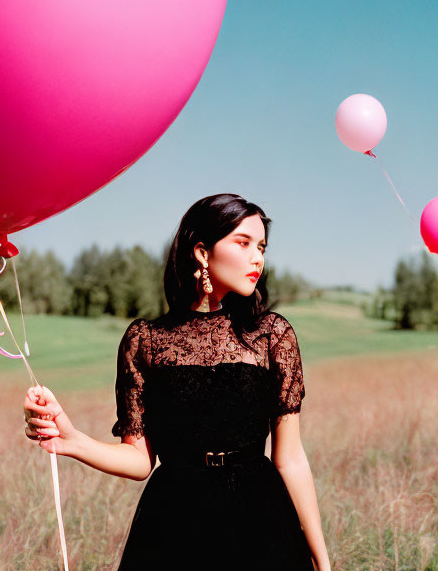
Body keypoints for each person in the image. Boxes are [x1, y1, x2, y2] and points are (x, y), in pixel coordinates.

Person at [22, 193, 331, 570]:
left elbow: (291, 458)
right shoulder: (145, 341)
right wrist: (72, 440)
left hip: (261, 520)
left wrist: (322, 558)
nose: (257, 258)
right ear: (202, 251)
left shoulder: (271, 335)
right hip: (174, 526)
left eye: (262, 246)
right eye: (243, 243)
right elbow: (139, 460)